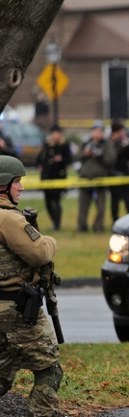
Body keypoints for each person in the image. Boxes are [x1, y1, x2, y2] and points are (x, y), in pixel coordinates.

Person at [0, 155, 63, 417]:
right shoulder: (9, 219)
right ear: (3, 185)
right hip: (16, 309)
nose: (21, 187)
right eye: (17, 182)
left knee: (3, 372)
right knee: (50, 370)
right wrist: (49, 241)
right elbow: (39, 254)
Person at [76, 121, 117, 232]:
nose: (97, 133)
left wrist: (100, 155)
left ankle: (98, 227)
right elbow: (76, 156)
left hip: (100, 179)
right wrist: (85, 153)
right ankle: (82, 227)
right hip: (85, 178)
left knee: (101, 207)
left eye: (100, 131)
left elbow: (111, 159)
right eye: (95, 130)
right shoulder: (85, 143)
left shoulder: (107, 144)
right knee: (83, 206)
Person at [37, 125, 72, 231]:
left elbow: (69, 160)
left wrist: (61, 159)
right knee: (48, 203)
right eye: (54, 133)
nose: (56, 135)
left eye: (58, 133)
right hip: (47, 177)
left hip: (59, 177)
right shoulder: (47, 145)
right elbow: (40, 157)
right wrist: (39, 165)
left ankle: (57, 224)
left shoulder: (64, 145)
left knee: (56, 202)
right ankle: (54, 221)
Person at [109, 120, 129, 222]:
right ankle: (115, 220)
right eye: (120, 131)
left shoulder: (126, 142)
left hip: (126, 174)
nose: (123, 133)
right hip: (114, 175)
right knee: (115, 201)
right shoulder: (110, 143)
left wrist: (128, 146)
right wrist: (120, 146)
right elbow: (112, 158)